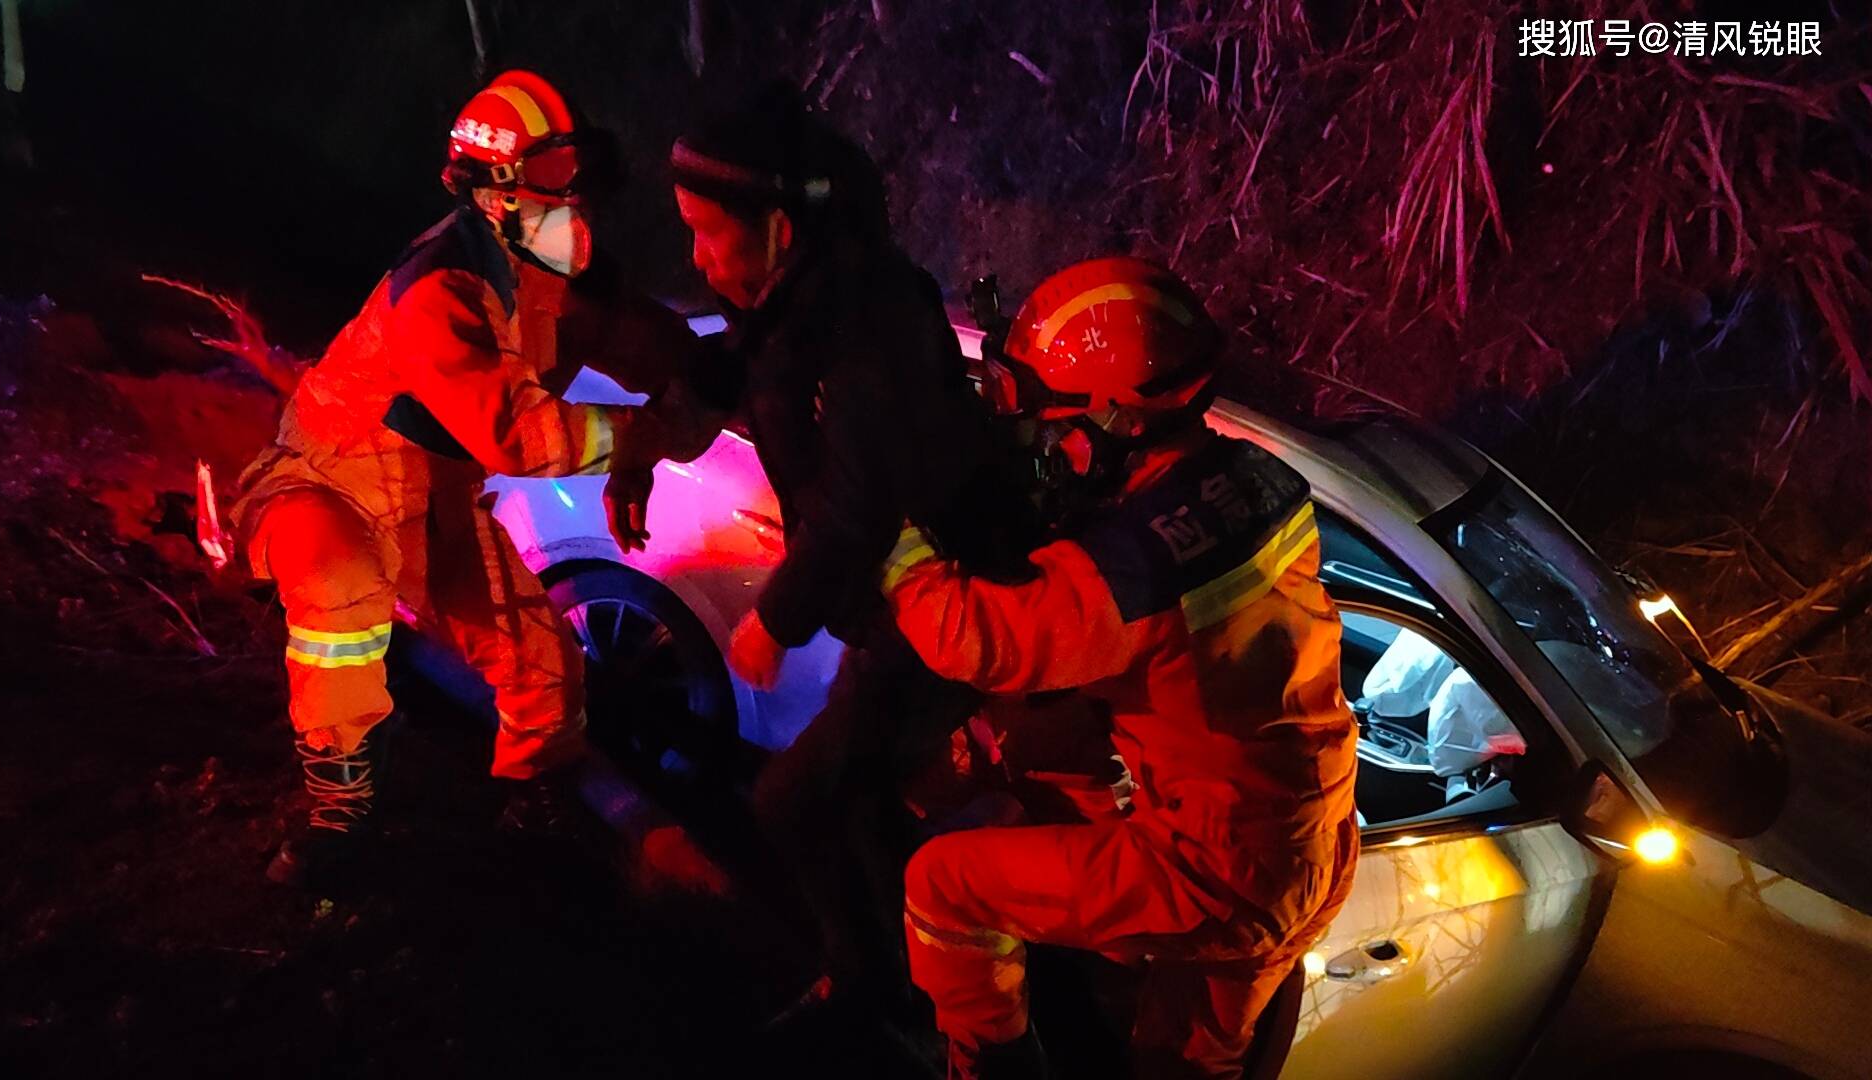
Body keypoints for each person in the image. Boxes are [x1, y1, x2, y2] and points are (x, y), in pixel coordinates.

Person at [880, 257, 1360, 1078]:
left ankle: (988, 1068)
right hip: (1313, 849)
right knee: (1179, 1065)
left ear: (1115, 420)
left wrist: (889, 536)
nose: (1032, 437)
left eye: (1043, 416)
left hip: (1213, 868)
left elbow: (974, 637)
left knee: (943, 885)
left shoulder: (1134, 564)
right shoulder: (1262, 479)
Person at [234, 70, 707, 887]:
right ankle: (338, 817)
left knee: (541, 658)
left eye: (581, 175)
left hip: (436, 497)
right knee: (341, 584)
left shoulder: (553, 280)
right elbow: (517, 435)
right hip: (330, 482)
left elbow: (660, 350)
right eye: (558, 179)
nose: (578, 202)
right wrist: (641, 440)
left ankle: (533, 803)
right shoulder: (440, 289)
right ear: (494, 188)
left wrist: (725, 378)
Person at [625, 86, 1036, 1014]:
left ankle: (899, 994)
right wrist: (643, 450)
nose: (695, 255)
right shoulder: (788, 299)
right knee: (858, 800)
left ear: (777, 222)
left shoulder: (867, 316)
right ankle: (910, 980)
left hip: (951, 603)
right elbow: (729, 376)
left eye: (706, 230)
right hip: (892, 609)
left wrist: (773, 622)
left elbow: (862, 500)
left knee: (792, 800)